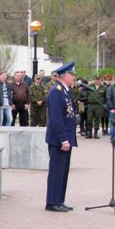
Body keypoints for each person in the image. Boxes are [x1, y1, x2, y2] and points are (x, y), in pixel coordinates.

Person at [45, 62, 77, 213]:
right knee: (56, 171)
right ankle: (52, 202)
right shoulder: (55, 91)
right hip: (58, 139)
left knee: (63, 172)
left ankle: (59, 200)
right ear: (65, 76)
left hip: (66, 138)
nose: (74, 78)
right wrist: (64, 139)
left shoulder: (65, 91)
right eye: (73, 75)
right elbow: (56, 118)